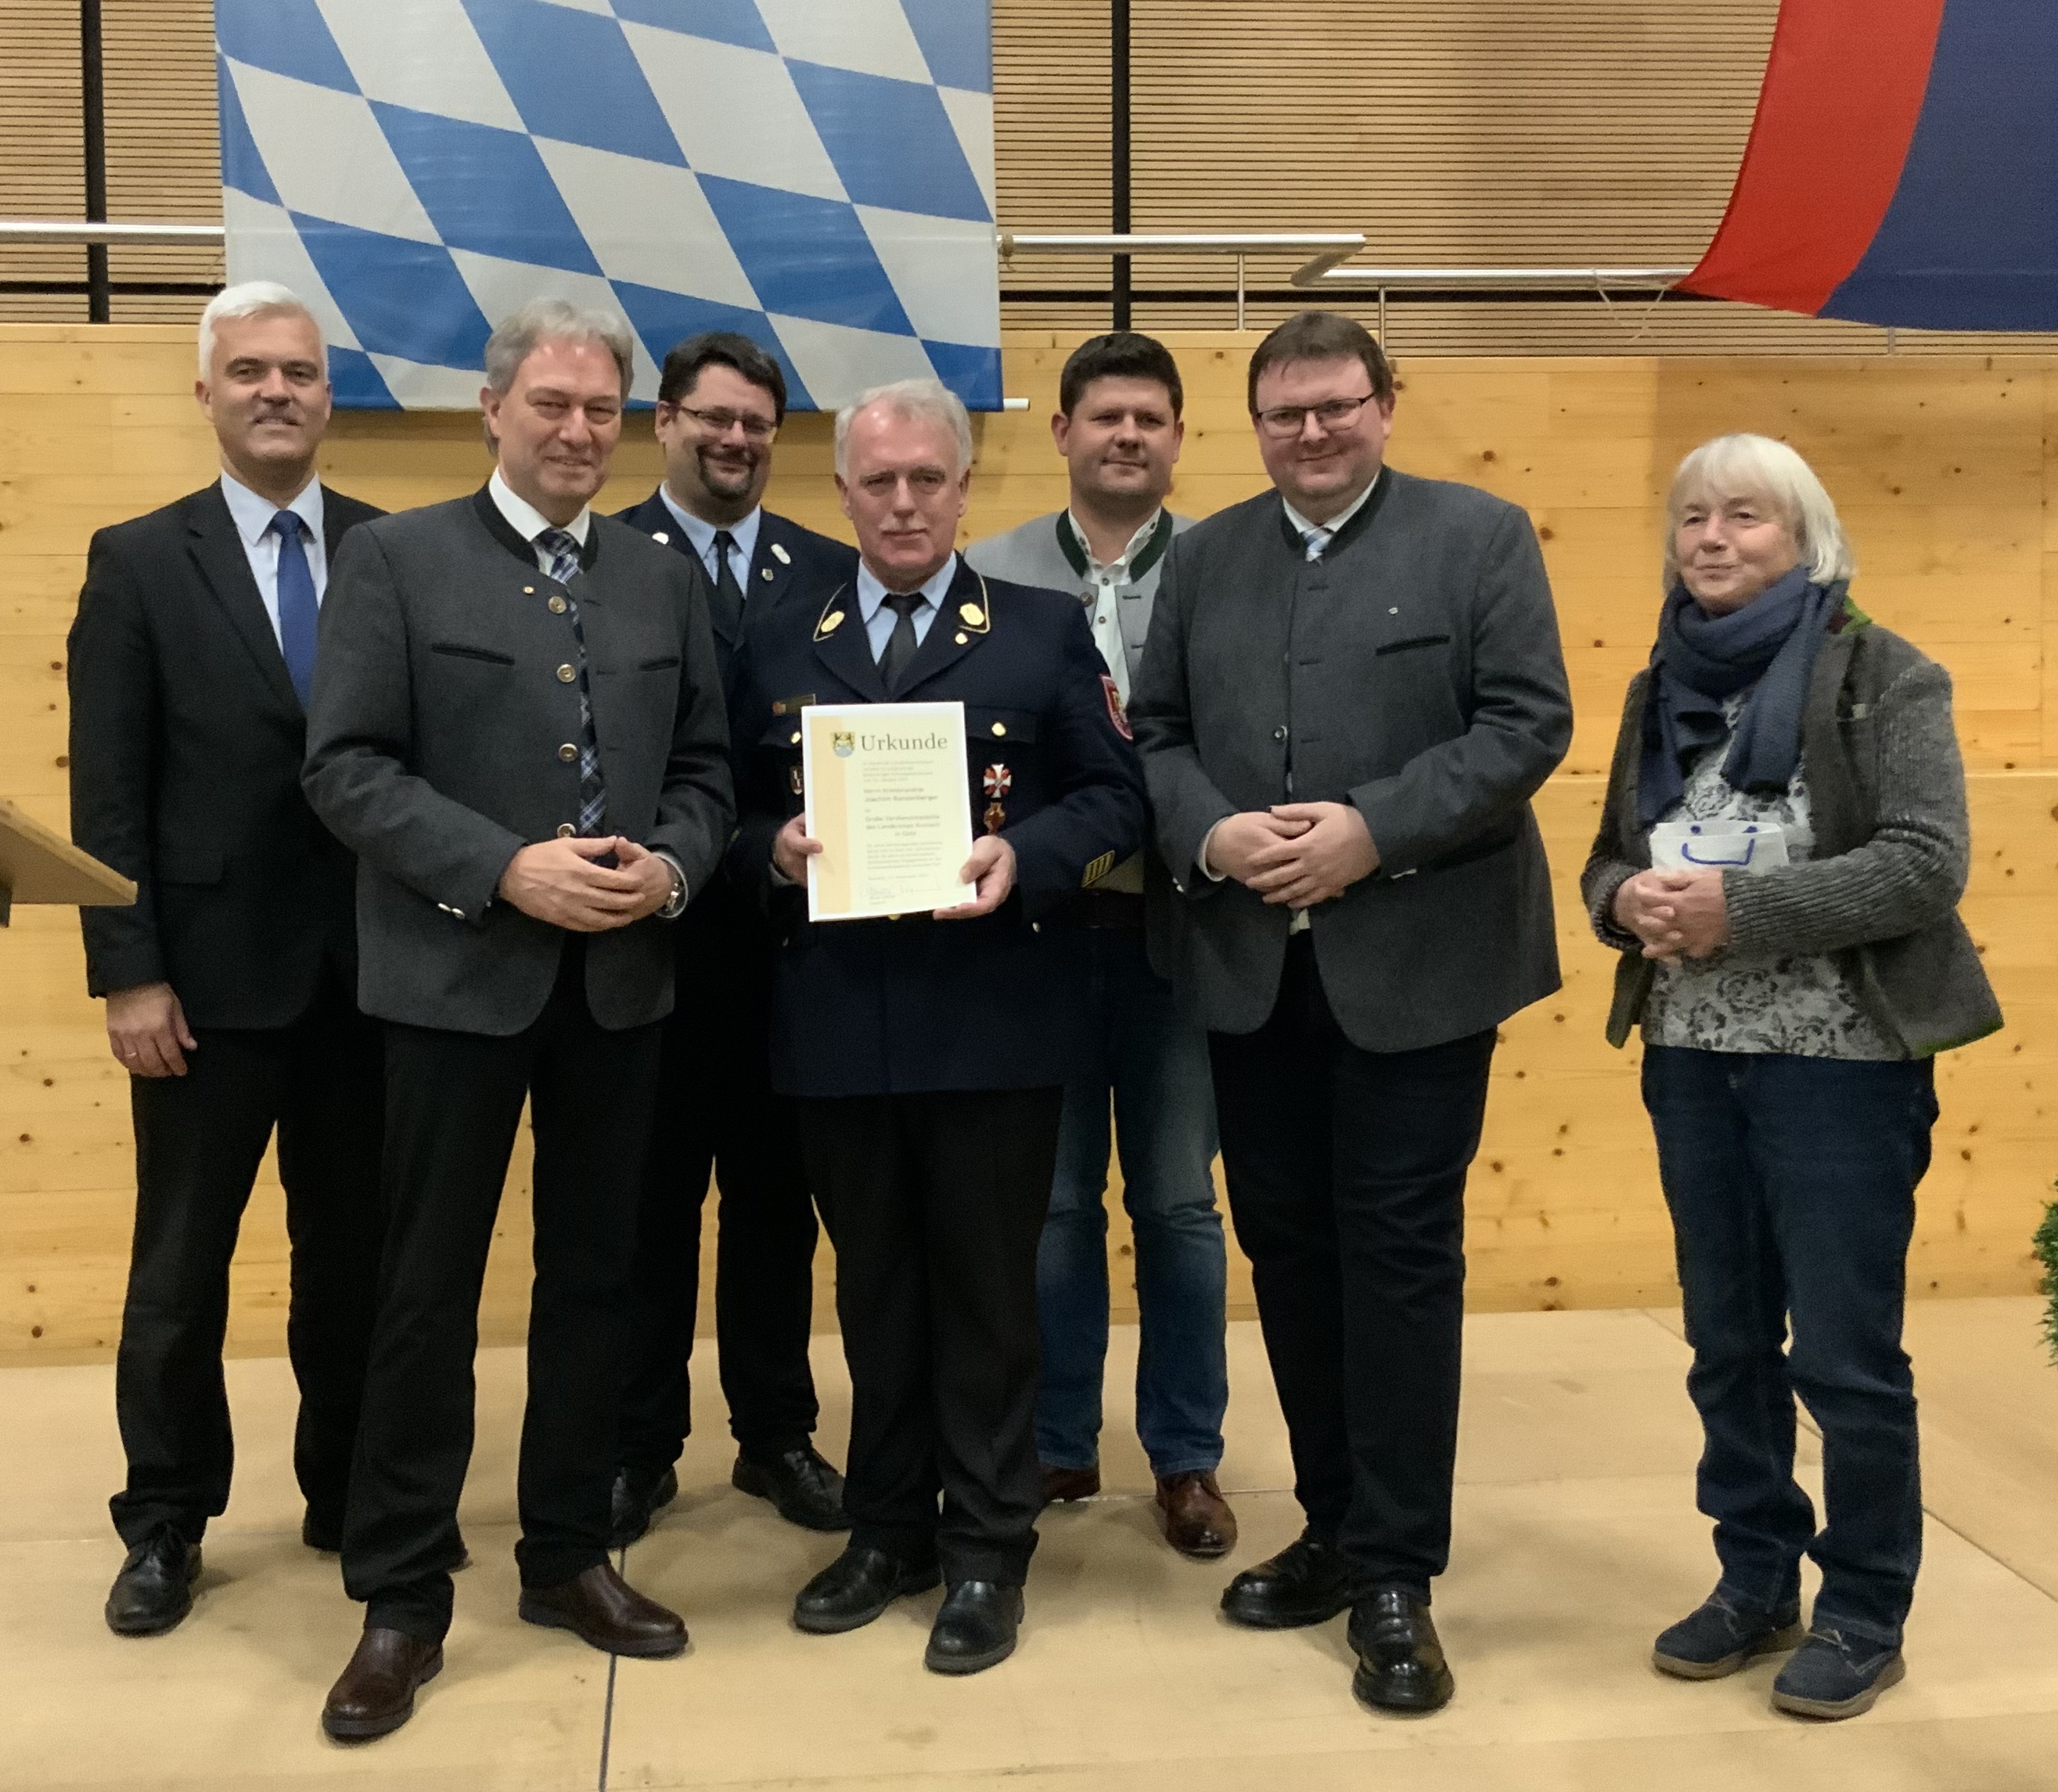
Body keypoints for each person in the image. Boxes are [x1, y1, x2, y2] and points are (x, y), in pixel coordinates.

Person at [301, 299, 733, 1741]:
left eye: (599, 409)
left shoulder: (659, 579)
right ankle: (402, 1596)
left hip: (618, 986)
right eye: (549, 403)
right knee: (422, 1292)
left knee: (599, 1280)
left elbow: (709, 770)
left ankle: (565, 1556)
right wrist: (502, 867)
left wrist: (670, 863)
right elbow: (346, 769)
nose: (574, 430)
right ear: (491, 409)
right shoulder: (395, 560)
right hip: (450, 987)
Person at [1129, 310, 1572, 1714]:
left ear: (1386, 402)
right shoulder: (1202, 559)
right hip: (1250, 970)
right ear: (1251, 426)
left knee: (1393, 1261)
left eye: (1334, 407)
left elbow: (1523, 725)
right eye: (1282, 414)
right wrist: (1209, 838)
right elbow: (1155, 734)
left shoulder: (1479, 534)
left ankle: (1394, 1573)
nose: (1309, 434)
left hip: (1420, 969)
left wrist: (1371, 830)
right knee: (1288, 1249)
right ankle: (1327, 1524)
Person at [727, 378, 1145, 1675]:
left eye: (926, 480)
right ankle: (887, 1525)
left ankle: (987, 1547)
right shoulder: (781, 636)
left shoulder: (1037, 627)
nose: (902, 502)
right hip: (839, 1021)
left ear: (963, 489)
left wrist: (1026, 854)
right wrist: (775, 850)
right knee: (873, 1288)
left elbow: (1113, 797)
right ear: (842, 492)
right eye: (876, 481)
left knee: (984, 1294)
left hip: (994, 1018)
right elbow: (728, 807)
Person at [1581, 434, 2001, 1722]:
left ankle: (1864, 1607)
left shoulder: (1886, 673)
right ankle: (1752, 1575)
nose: (1711, 538)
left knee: (1844, 1356)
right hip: (1692, 1060)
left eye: (1744, 517)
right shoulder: (1657, 687)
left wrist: (1735, 913)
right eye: (1691, 517)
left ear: (1802, 535)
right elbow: (1605, 867)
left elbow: (1924, 864)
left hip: (1841, 1072)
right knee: (1723, 1344)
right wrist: (1627, 902)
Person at [67, 282, 386, 1638]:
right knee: (182, 1262)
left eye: (299, 373)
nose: (275, 391)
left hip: (371, 976)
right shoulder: (139, 559)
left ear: (328, 394)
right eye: (248, 370)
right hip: (199, 985)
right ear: (207, 393)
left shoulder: (390, 551)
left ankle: (351, 1488)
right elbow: (110, 788)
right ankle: (165, 1519)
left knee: (358, 1256)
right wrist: (127, 971)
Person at [966, 332, 1233, 1559]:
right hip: (1038, 930)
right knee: (1055, 1207)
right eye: (1103, 415)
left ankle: (1185, 1455)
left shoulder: (1236, 567)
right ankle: (1059, 1439)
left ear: (1178, 437)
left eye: (1150, 417)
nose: (1127, 435)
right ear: (1062, 431)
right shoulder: (989, 571)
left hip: (1183, 931)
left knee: (1178, 1204)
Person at [610, 331, 857, 1545]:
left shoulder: (828, 569)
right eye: (712, 417)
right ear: (662, 422)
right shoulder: (600, 557)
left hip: (787, 950)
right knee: (646, 1206)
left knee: (775, 1204)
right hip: (643, 946)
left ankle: (775, 1435)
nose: (735, 439)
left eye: (757, 423)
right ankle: (639, 1444)